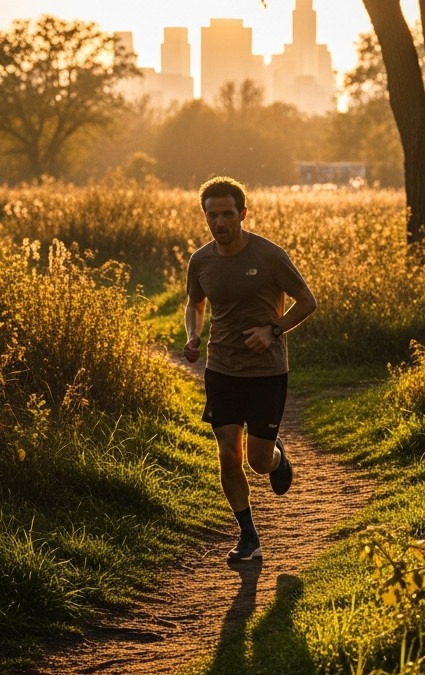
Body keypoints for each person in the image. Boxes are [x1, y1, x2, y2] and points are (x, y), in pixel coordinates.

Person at [183, 176, 317, 563]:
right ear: (205, 217)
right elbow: (194, 303)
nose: (220, 222)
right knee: (228, 453)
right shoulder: (201, 260)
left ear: (243, 214)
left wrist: (273, 329)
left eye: (227, 214)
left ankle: (277, 455)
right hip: (221, 367)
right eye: (212, 216)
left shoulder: (269, 256)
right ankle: (248, 536)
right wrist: (193, 336)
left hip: (266, 371)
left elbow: (308, 302)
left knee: (258, 462)